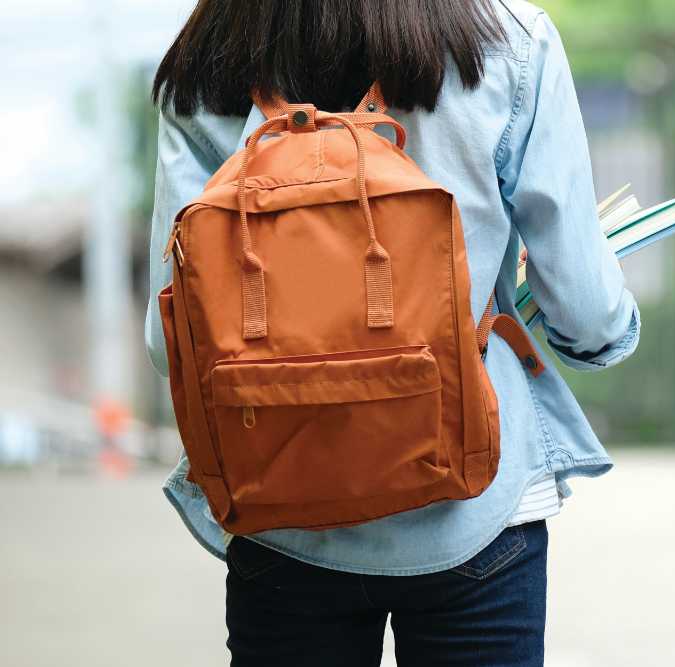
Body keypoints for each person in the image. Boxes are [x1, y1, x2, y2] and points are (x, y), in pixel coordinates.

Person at [146, 1, 640, 665]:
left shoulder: (208, 57)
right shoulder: (506, 42)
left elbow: (167, 338)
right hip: (477, 509)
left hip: (279, 512)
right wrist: (598, 330)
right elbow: (586, 312)